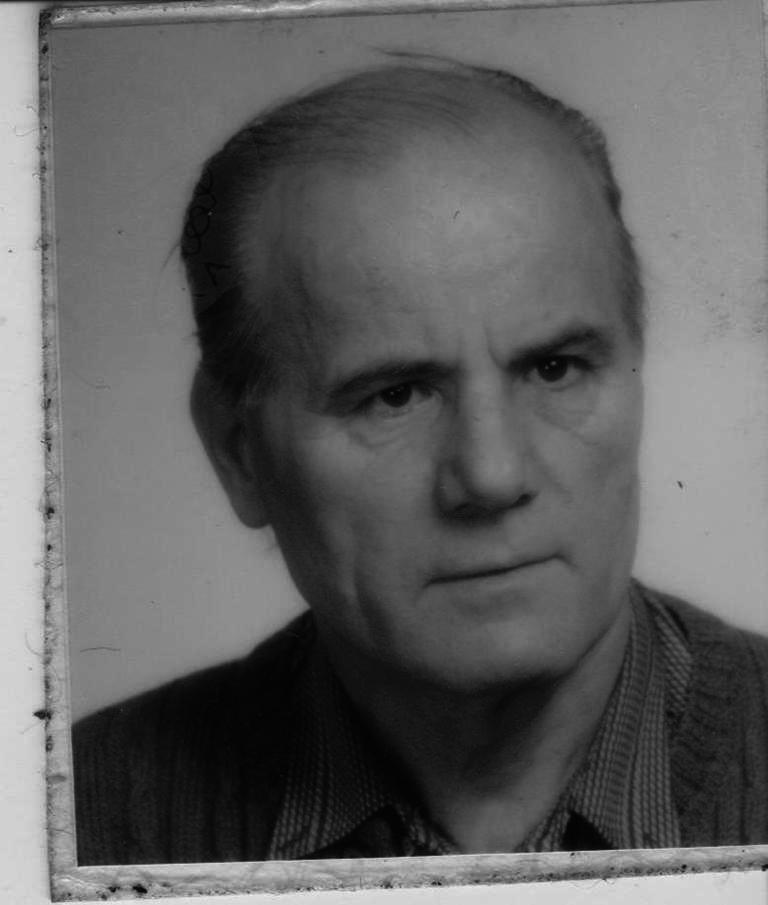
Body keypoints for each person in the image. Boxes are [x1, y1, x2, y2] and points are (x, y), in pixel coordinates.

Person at [73, 57, 768, 865]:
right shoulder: (75, 819)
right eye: (395, 395)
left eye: (554, 368)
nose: (493, 475)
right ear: (237, 450)